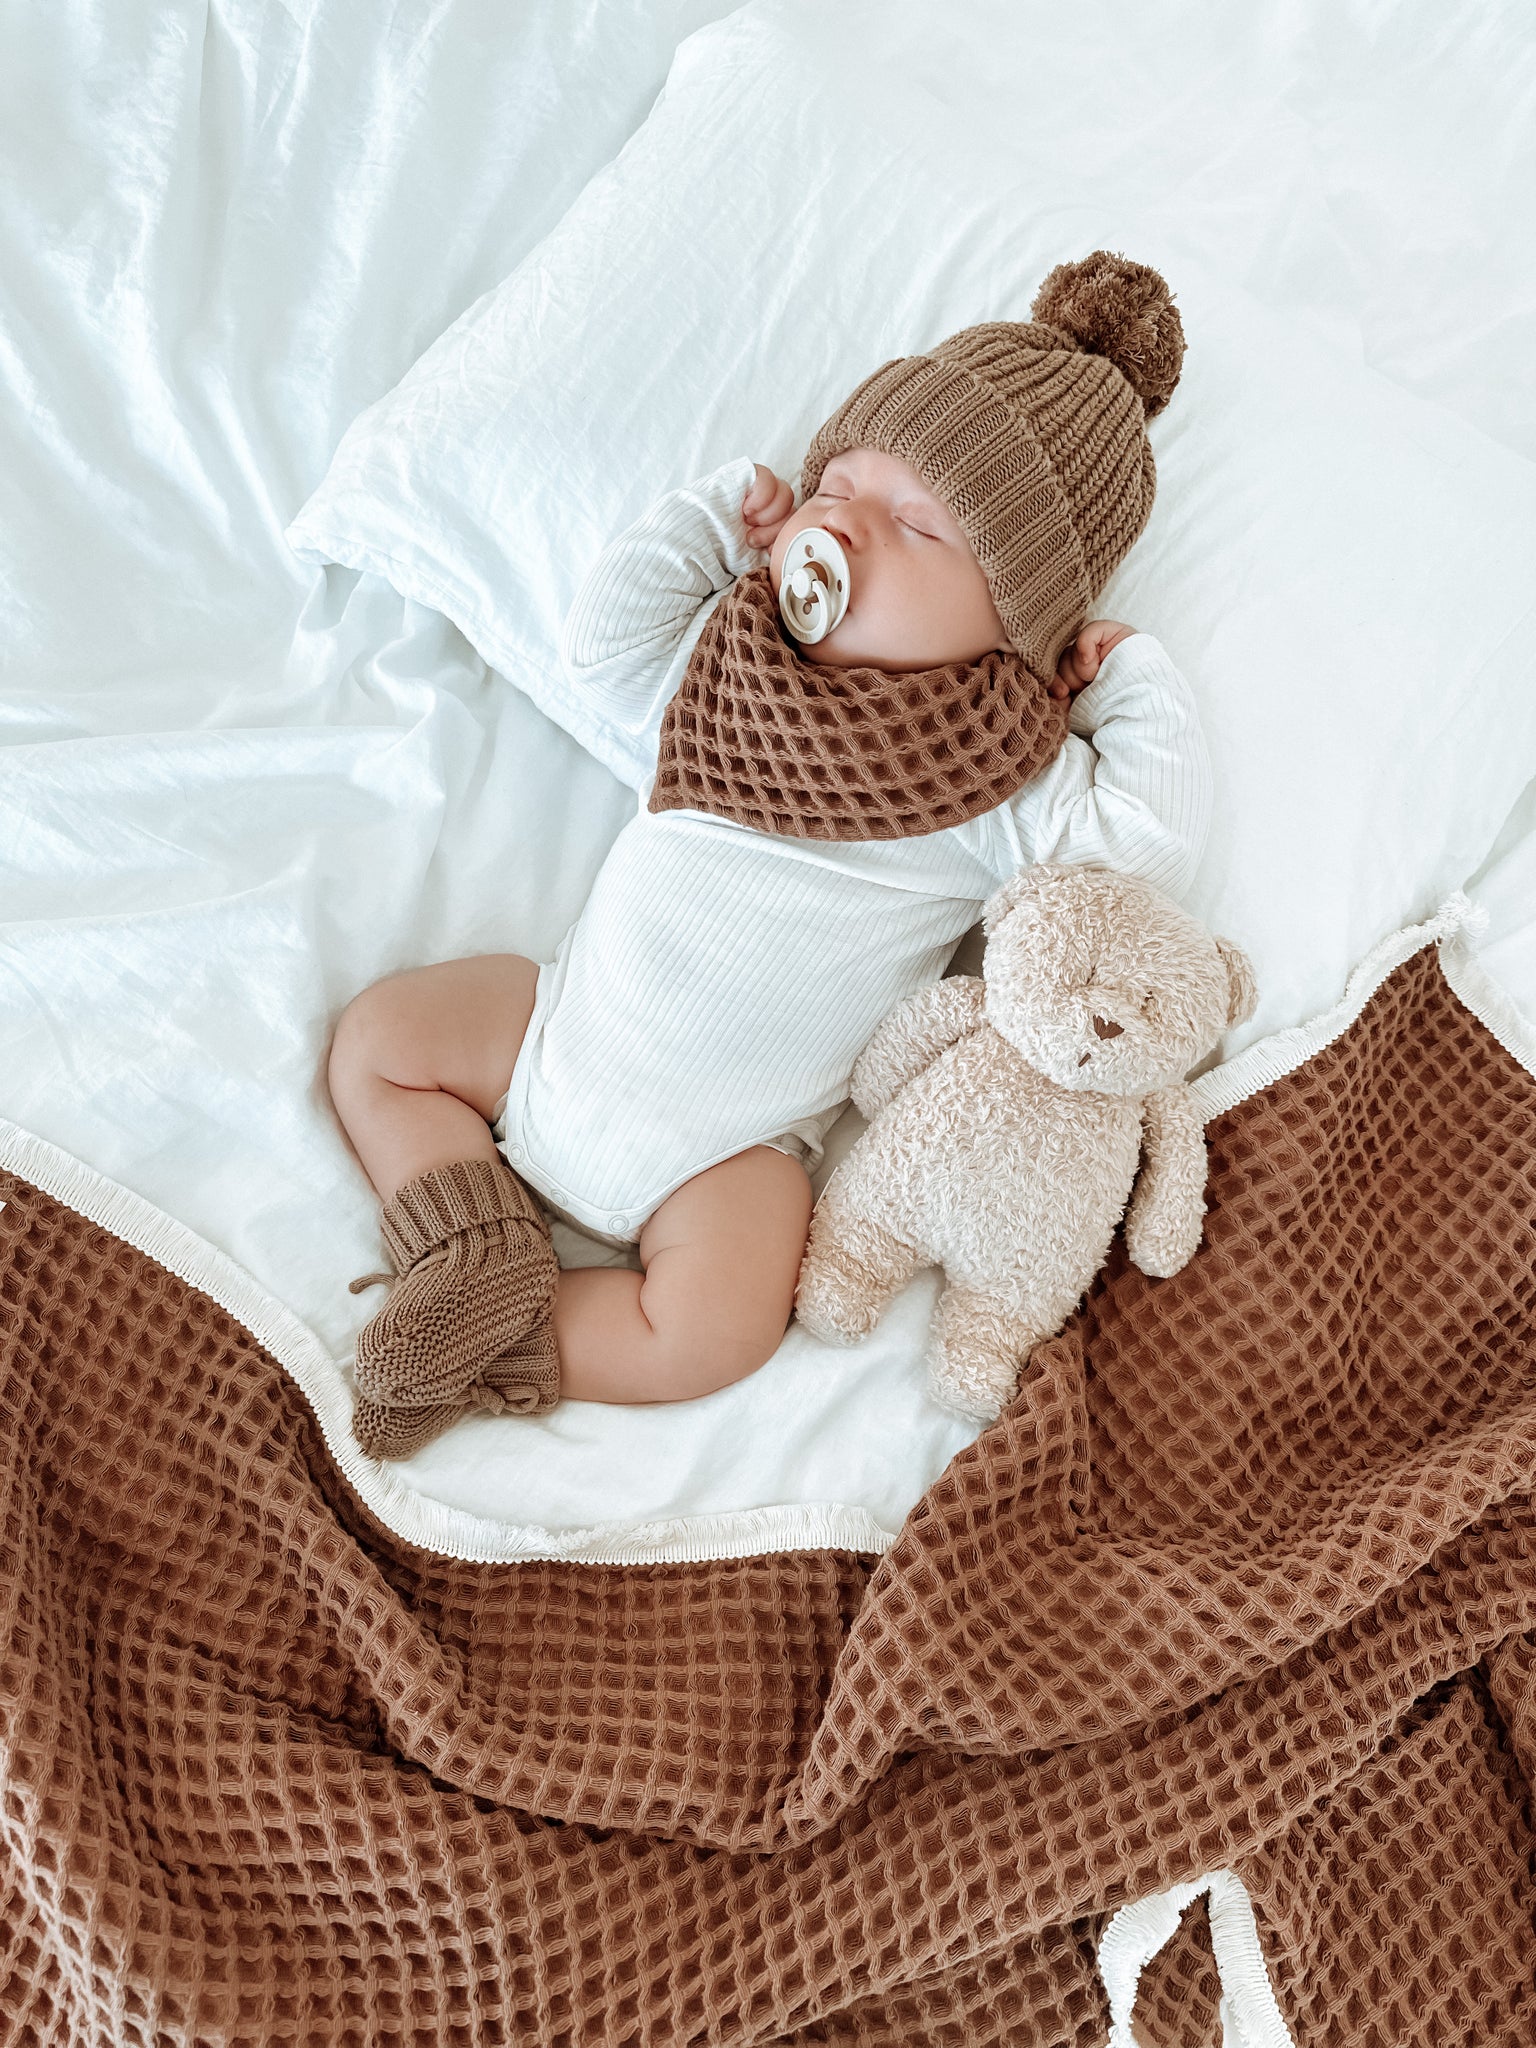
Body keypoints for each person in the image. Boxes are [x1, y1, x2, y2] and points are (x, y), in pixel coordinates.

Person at [327, 250, 1211, 1457]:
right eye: (836, 483)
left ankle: (515, 1338)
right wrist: (702, 527)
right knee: (383, 1041)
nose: (844, 521)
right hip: (553, 1031)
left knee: (718, 1322)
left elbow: (1146, 843)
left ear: (1016, 624)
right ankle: (469, 1246)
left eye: (913, 525)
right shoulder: (725, 667)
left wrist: (1131, 679)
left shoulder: (1004, 782)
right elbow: (601, 649)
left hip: (724, 1155)